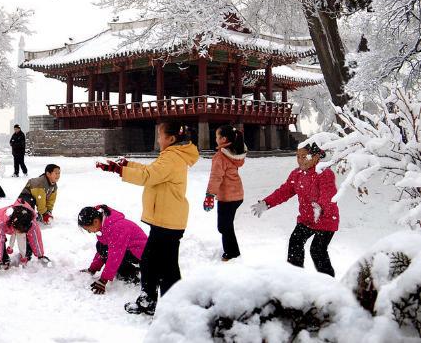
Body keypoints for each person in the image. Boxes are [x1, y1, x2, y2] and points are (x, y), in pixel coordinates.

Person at [96, 120, 199, 315]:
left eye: (160, 136)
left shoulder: (171, 158)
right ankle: (157, 301)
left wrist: (119, 170)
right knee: (159, 263)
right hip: (167, 219)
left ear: (171, 138)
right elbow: (150, 171)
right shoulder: (171, 156)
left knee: (159, 265)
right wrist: (127, 165)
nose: (158, 139)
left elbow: (148, 176)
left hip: (167, 221)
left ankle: (164, 305)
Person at [251, 143, 339, 277]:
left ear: (315, 157)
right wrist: (266, 203)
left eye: (304, 156)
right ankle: (295, 278)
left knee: (317, 250)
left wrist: (320, 207)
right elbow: (284, 192)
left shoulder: (324, 173)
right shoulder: (297, 174)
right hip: (307, 220)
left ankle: (329, 284)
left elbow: (328, 194)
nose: (300, 160)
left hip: (325, 219)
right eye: (297, 156)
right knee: (295, 243)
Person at [78, 205, 148, 295]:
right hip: (131, 252)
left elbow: (115, 255)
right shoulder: (106, 226)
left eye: (88, 229)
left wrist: (103, 280)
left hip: (143, 255)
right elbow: (103, 251)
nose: (90, 232)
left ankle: (131, 274)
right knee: (101, 246)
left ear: (95, 221)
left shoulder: (117, 228)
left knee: (109, 252)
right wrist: (92, 269)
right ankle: (130, 269)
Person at [203, 124, 247, 261]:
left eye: (217, 136)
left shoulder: (220, 157)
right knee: (226, 226)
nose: (215, 138)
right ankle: (232, 251)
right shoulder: (235, 153)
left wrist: (210, 195)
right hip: (237, 195)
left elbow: (216, 177)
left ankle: (232, 253)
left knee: (224, 227)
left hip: (227, 198)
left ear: (223, 139)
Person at [0, 200, 50, 275]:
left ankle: (26, 253)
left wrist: (40, 255)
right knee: (0, 240)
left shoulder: (31, 221)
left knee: (29, 237)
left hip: (17, 223)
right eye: (19, 231)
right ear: (13, 225)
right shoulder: (0, 221)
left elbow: (36, 238)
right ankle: (4, 259)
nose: (20, 233)